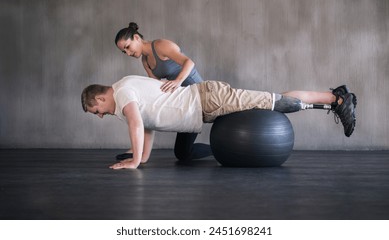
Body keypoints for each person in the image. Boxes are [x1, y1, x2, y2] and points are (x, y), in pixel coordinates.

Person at [81, 75, 357, 170]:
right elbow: (147, 121)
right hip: (203, 106)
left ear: (100, 98)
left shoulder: (123, 92)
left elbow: (136, 125)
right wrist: (142, 157)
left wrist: (134, 161)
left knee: (275, 102)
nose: (101, 116)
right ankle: (335, 98)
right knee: (272, 101)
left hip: (209, 99)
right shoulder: (125, 89)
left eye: (97, 111)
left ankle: (337, 98)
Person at [114, 22, 211, 161]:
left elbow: (189, 62)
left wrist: (177, 81)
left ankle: (224, 147)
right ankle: (219, 149)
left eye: (128, 47)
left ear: (136, 37)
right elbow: (153, 88)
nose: (128, 53)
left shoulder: (160, 45)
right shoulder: (145, 61)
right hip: (183, 102)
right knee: (183, 153)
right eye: (124, 51)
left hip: (200, 95)